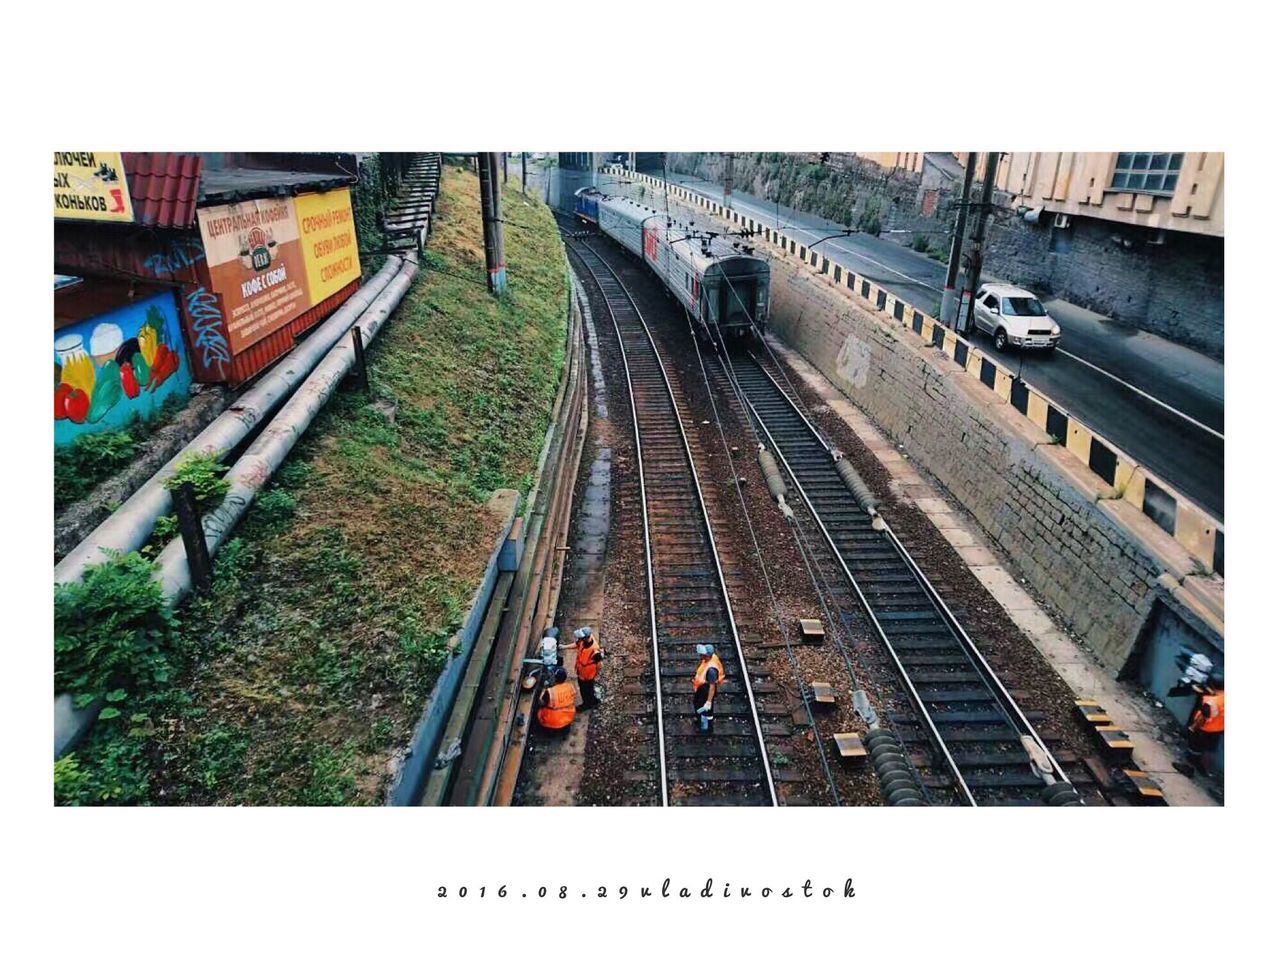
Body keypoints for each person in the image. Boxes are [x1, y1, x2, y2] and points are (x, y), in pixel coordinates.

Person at [1185, 682, 1224, 773]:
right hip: (1218, 730)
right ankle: (1205, 770)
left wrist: (1193, 727)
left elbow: (1203, 717)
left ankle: (1189, 769)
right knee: (1209, 750)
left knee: (1194, 749)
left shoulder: (1212, 702)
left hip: (1204, 730)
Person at [691, 644, 724, 732]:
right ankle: (703, 723)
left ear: (707, 656)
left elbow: (712, 687)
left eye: (702, 654)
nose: (700, 655)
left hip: (705, 691)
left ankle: (705, 728)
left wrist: (708, 701)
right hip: (702, 688)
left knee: (704, 710)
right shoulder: (711, 658)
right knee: (699, 705)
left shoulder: (711, 671)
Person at [537, 667, 576, 732]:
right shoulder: (570, 687)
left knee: (540, 710)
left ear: (555, 678)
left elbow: (541, 703)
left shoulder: (550, 692)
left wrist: (543, 690)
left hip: (551, 722)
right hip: (567, 718)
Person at [573, 626, 604, 708]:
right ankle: (594, 701)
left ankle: (587, 704)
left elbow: (600, 665)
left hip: (587, 675)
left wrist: (596, 675)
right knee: (589, 689)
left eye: (580, 638)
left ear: (586, 638)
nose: (579, 639)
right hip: (582, 671)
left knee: (585, 690)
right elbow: (577, 644)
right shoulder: (585, 641)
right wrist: (563, 647)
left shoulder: (594, 650)